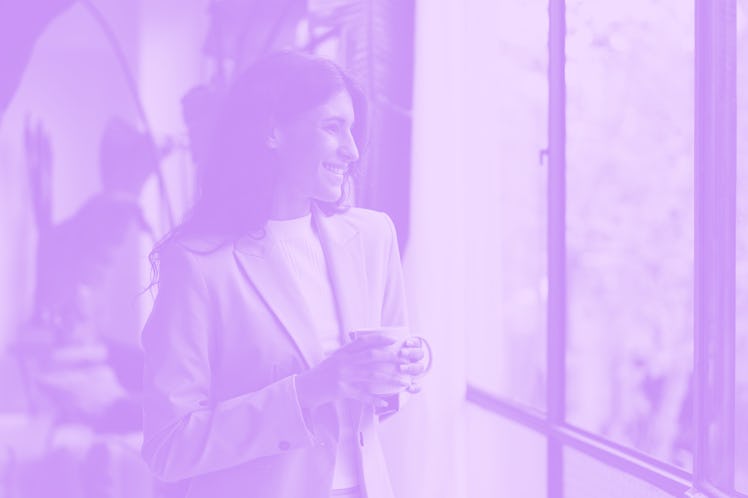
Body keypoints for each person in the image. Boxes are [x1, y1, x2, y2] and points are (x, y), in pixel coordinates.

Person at [140, 50, 430, 498]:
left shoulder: (373, 237)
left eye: (352, 130)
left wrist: (403, 370)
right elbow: (168, 445)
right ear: (272, 131)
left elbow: (384, 396)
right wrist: (308, 391)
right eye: (333, 127)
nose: (352, 150)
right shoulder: (198, 264)